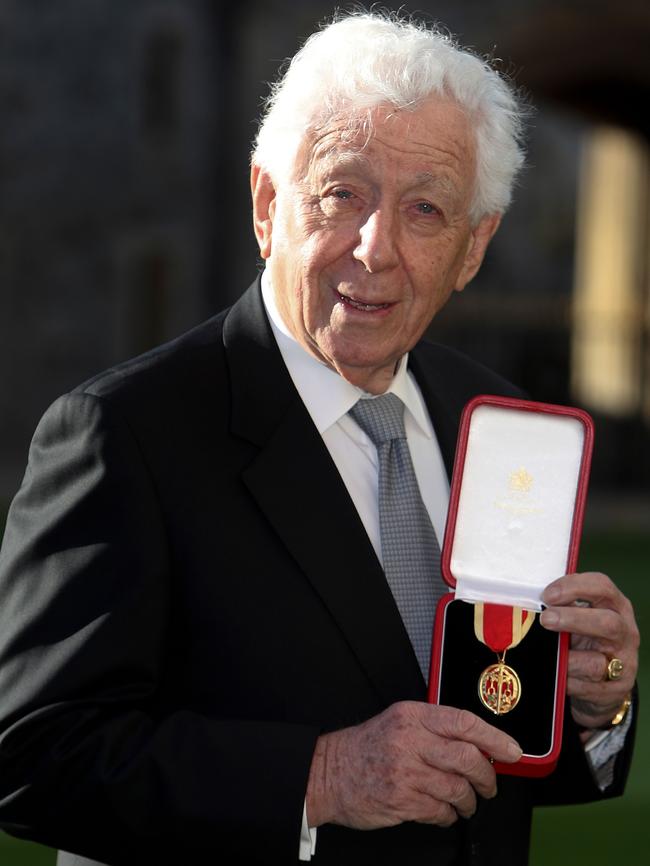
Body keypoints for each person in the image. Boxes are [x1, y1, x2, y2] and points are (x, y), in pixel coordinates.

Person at [0, 11, 639, 866]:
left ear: (473, 247)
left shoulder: (497, 420)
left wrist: (593, 711)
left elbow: (488, 744)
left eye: (425, 209)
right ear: (269, 206)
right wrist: (320, 775)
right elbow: (36, 756)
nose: (375, 249)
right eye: (343, 193)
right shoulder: (126, 433)